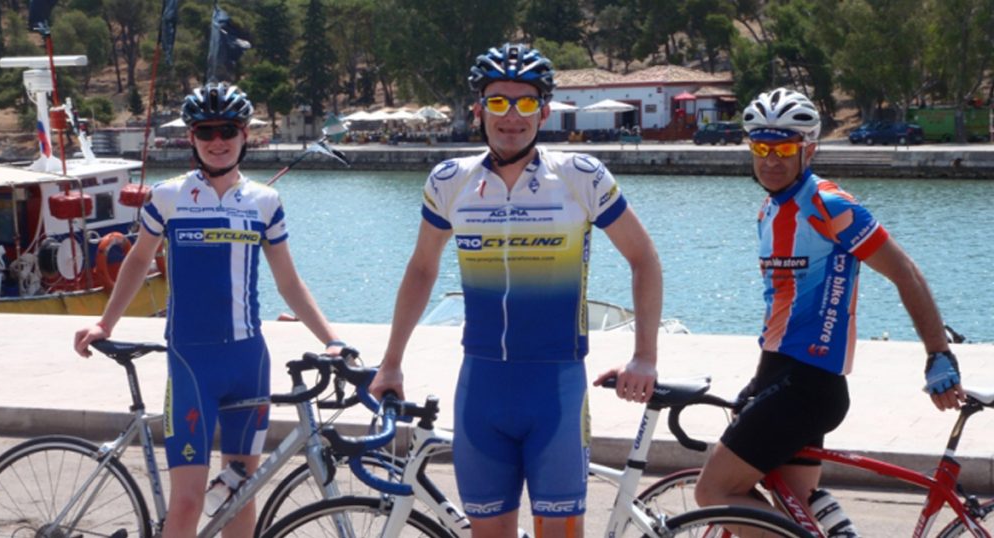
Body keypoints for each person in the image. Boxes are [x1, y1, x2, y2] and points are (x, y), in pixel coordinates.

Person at [368, 43, 664, 538]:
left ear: (544, 110)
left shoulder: (579, 177)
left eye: (525, 102)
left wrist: (645, 356)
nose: (511, 115)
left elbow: (644, 259)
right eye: (498, 101)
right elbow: (422, 269)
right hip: (481, 388)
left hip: (556, 390)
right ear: (478, 109)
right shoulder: (449, 180)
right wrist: (392, 360)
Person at [73, 82, 346, 538]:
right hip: (191, 363)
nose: (217, 141)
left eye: (228, 130)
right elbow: (139, 260)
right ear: (192, 138)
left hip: (248, 361)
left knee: (239, 496)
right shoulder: (168, 196)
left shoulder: (265, 201)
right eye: (206, 131)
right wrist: (105, 323)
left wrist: (331, 339)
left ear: (245, 135)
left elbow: (289, 281)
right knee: (187, 502)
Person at [693, 88, 966, 523]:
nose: (771, 159)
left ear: (810, 149)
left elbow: (905, 272)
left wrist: (937, 352)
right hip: (780, 374)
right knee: (794, 508)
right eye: (761, 147)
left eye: (784, 148)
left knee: (714, 490)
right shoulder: (769, 209)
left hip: (809, 385)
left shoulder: (829, 205)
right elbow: (784, 308)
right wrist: (759, 381)